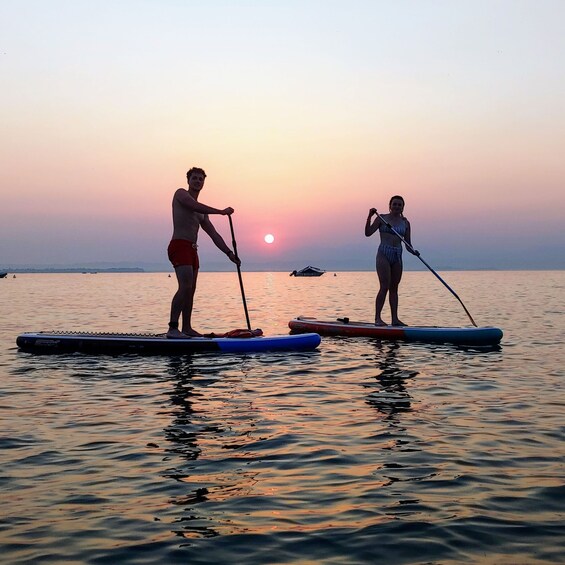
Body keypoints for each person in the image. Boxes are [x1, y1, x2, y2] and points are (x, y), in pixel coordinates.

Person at [167, 167, 240, 338]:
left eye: (201, 179)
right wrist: (221, 212)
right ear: (188, 180)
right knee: (184, 287)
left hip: (193, 249)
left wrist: (229, 253)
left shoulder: (202, 214)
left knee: (191, 290)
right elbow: (193, 205)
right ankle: (172, 328)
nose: (198, 181)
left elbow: (214, 235)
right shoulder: (180, 194)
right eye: (195, 178)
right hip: (179, 245)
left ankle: (186, 328)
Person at [364, 195, 419, 326]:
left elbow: (408, 245)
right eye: (394, 204)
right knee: (384, 286)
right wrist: (369, 217)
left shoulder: (405, 223)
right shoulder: (381, 218)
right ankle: (377, 318)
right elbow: (368, 233)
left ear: (403, 207)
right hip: (384, 253)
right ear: (390, 206)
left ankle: (395, 319)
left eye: (400, 205)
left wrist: (414, 252)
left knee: (394, 288)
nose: (397, 206)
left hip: (397, 255)